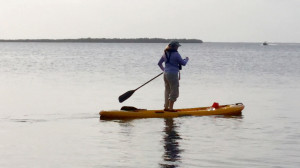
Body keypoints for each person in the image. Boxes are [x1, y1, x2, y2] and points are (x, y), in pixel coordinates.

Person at [158, 41, 189, 111]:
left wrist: (164, 70)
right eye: (177, 46)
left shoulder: (165, 53)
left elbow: (159, 63)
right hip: (173, 74)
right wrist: (187, 59)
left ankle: (166, 107)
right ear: (174, 47)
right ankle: (171, 108)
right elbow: (183, 63)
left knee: (167, 90)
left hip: (165, 74)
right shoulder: (176, 54)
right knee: (174, 91)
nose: (177, 48)